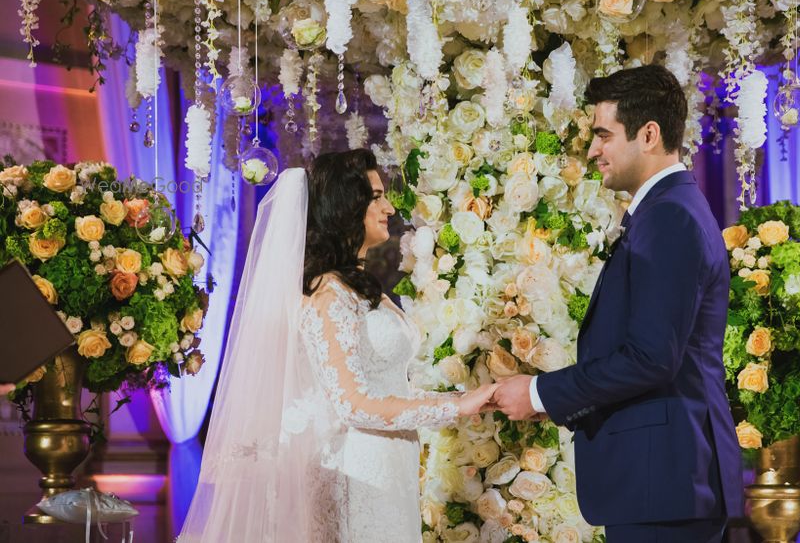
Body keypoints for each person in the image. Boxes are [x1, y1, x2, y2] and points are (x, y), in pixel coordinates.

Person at [178, 150, 496, 543]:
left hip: (388, 468)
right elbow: (353, 403)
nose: (389, 207)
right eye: (376, 196)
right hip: (358, 470)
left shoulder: (360, 288)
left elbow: (387, 388)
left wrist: (471, 399)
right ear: (347, 206)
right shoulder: (328, 292)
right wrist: (454, 407)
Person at [492, 65, 742, 543]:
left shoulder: (669, 216)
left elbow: (651, 358)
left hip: (665, 480)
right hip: (664, 480)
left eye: (603, 135)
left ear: (648, 134)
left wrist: (539, 393)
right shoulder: (668, 209)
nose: (592, 150)